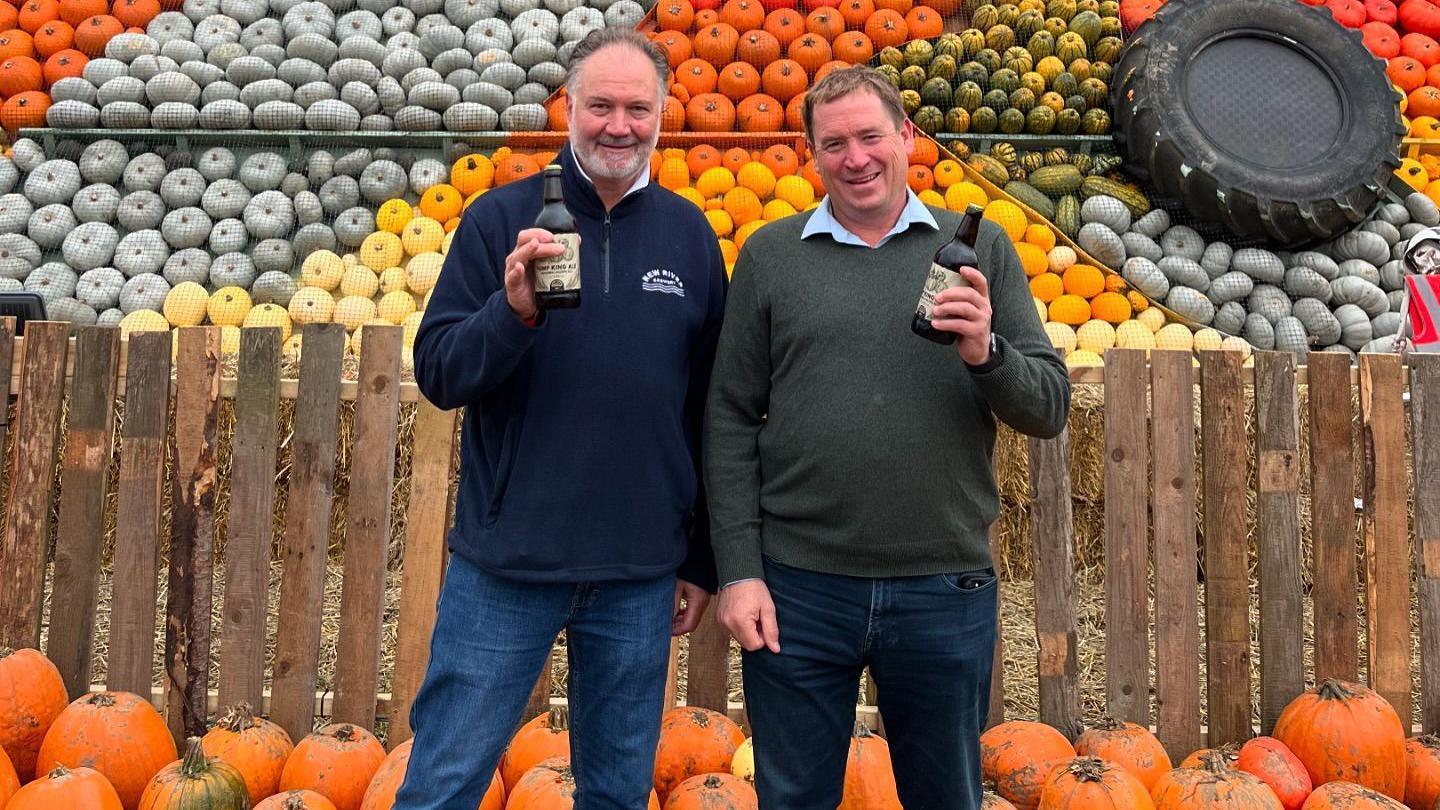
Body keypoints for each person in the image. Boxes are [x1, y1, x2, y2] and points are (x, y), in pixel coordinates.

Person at [703, 65, 1071, 809]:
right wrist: (739, 568)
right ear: (811, 153)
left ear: (906, 136)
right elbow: (730, 415)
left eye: (871, 136)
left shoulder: (980, 248)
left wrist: (986, 354)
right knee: (792, 796)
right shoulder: (772, 256)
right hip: (798, 589)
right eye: (834, 143)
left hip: (942, 586)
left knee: (944, 796)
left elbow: (1049, 406)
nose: (856, 157)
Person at [401, 27, 727, 810]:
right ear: (568, 108)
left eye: (637, 108)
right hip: (508, 564)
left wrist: (701, 556)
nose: (620, 125)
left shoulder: (690, 237)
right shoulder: (497, 220)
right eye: (601, 106)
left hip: (638, 572)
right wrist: (511, 311)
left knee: (617, 792)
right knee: (444, 781)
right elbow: (441, 372)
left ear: (662, 115)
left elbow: (712, 408)